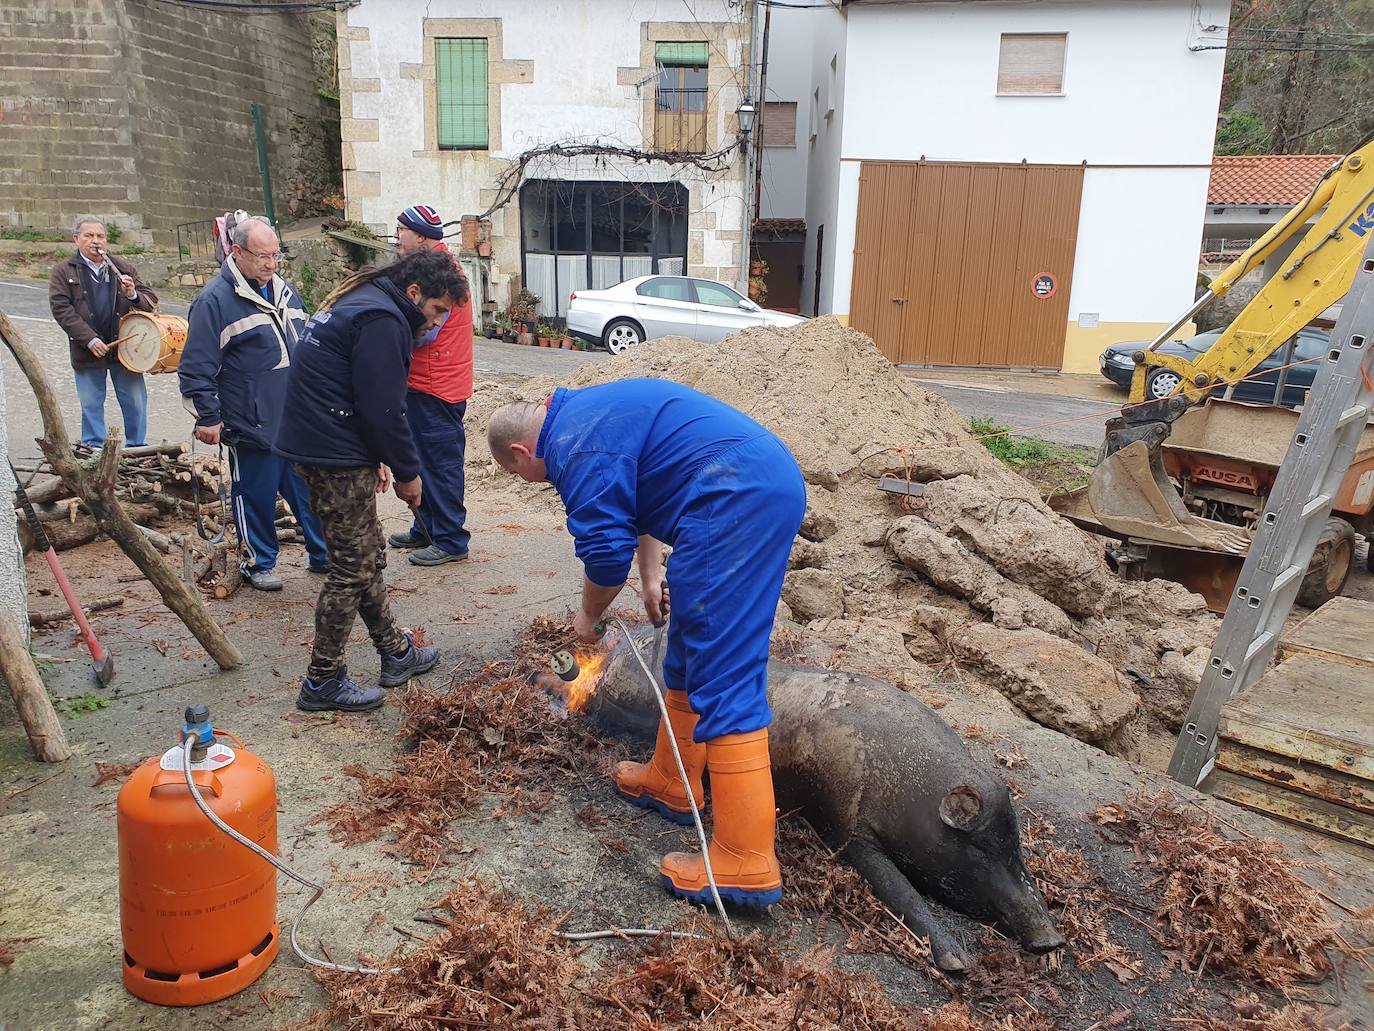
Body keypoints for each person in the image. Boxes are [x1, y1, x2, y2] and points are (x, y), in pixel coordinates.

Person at [487, 380, 807, 908]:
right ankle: (670, 781)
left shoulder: (574, 446)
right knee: (687, 648)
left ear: (522, 454)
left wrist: (587, 617)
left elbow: (605, 554)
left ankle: (746, 860)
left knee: (725, 673)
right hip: (744, 485)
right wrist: (653, 574)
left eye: (520, 475)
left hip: (734, 497)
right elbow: (637, 502)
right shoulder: (587, 418)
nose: (531, 482)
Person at [274, 249, 466, 713]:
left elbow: (358, 391)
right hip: (331, 451)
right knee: (351, 568)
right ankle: (322, 681)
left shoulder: (365, 299)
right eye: (438, 310)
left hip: (326, 442)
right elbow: (384, 408)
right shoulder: (384, 320)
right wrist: (407, 472)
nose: (437, 322)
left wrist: (374, 455)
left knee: (364, 554)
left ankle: (395, 653)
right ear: (415, 293)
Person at [178, 215, 328, 591]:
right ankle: (258, 562)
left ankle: (323, 554)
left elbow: (308, 345)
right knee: (256, 495)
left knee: (309, 491)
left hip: (296, 419)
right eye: (262, 256)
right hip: (251, 421)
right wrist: (207, 417)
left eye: (276, 255)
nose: (271, 264)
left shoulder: (286, 290)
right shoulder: (214, 301)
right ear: (238, 252)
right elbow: (196, 366)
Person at [386, 204, 475, 566]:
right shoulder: (432, 266)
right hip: (428, 380)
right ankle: (427, 527)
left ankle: (452, 539)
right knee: (421, 460)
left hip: (437, 384)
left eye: (402, 230)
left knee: (440, 464)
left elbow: (425, 331)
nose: (397, 236)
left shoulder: (439, 274)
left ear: (421, 236)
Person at [48, 217, 158, 448]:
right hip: (87, 349)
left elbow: (150, 302)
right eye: (89, 236)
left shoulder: (123, 269)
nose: (95, 241)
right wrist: (89, 339)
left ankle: (136, 447)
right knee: (91, 404)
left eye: (100, 236)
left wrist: (132, 295)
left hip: (125, 349)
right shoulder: (63, 271)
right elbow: (61, 309)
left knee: (135, 402)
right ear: (76, 239)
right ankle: (93, 450)